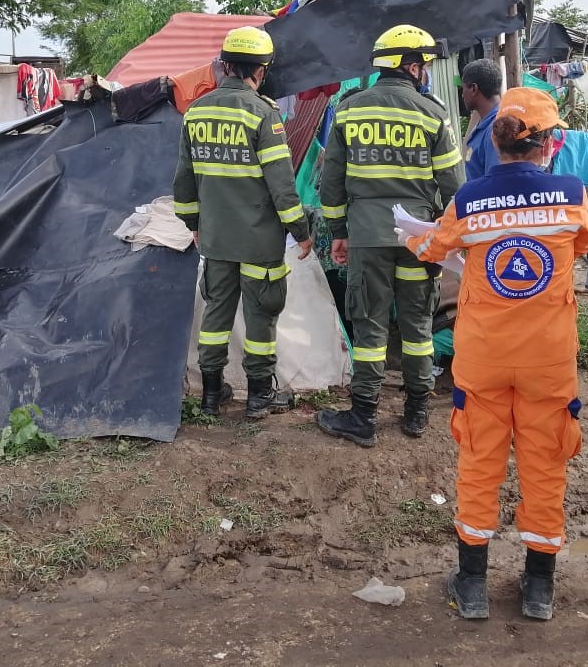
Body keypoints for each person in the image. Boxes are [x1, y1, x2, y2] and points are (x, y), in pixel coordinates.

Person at [405, 86, 588, 621]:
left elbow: (432, 248)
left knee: (480, 462)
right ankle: (538, 589)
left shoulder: (468, 199)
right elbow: (579, 246)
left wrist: (412, 236)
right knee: (546, 463)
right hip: (548, 360)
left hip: (483, 357)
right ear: (549, 143)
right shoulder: (571, 192)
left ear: (496, 141)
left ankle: (472, 585)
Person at [316, 24, 462, 446]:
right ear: (411, 66)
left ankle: (363, 416)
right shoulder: (434, 114)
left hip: (367, 238)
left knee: (370, 325)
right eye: (425, 65)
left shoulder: (349, 109)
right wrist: (448, 237)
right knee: (417, 324)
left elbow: (332, 183)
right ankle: (416, 413)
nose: (426, 72)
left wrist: (339, 232)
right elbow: (454, 185)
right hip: (418, 241)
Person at [173, 26, 313, 419]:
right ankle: (258, 397)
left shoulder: (196, 112)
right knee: (261, 317)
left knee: (216, 316)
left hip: (216, 238)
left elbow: (184, 181)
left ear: (226, 66)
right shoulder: (263, 114)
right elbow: (282, 187)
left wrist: (192, 223)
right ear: (261, 71)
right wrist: (301, 233)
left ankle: (211, 395)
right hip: (259, 243)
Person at [460, 58, 504, 181]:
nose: (462, 95)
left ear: (474, 89)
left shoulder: (496, 131)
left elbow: (495, 182)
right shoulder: (483, 123)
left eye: (463, 88)